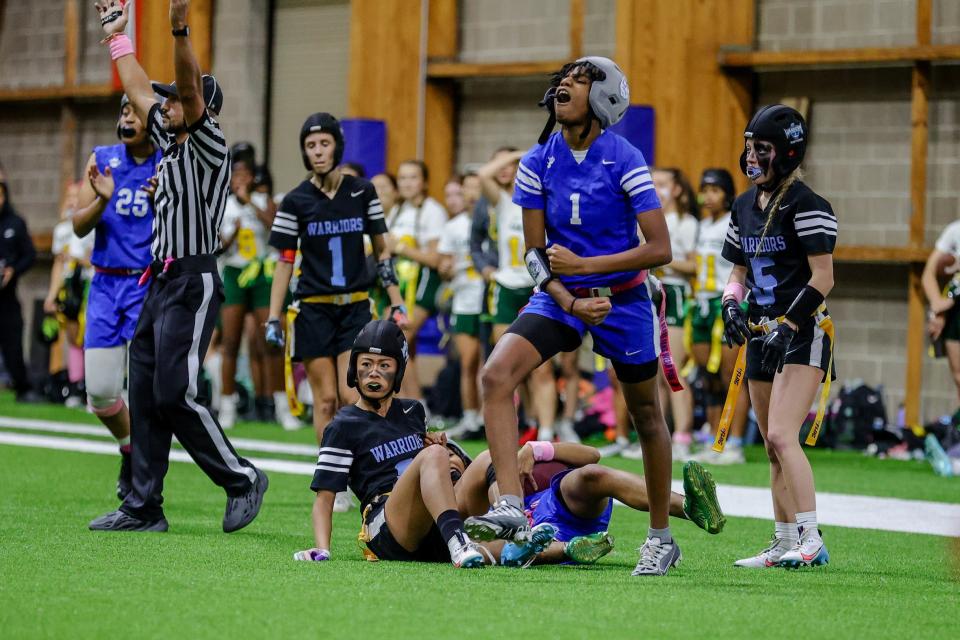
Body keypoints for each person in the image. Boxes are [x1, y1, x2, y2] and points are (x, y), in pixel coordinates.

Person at [464, 56, 681, 576]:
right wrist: (569, 299)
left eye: (579, 80)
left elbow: (661, 248)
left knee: (647, 416)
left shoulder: (624, 157)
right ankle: (512, 507)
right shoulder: (538, 161)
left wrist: (589, 267)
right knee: (495, 374)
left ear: (605, 98)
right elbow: (535, 254)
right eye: (562, 79)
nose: (565, 84)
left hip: (624, 300)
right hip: (562, 296)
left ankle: (660, 538)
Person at [89, 0, 267, 533]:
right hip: (161, 279)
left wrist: (179, 29)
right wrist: (119, 38)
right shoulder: (168, 143)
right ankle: (144, 506)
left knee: (173, 392)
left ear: (198, 108)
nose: (160, 106)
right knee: (142, 390)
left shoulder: (209, 143)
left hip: (194, 279)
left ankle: (241, 478)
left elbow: (185, 89)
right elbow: (141, 88)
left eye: (174, 102)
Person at [721, 104, 836, 568]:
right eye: (749, 146)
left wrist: (788, 323)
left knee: (784, 435)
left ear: (787, 152)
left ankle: (812, 537)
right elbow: (738, 270)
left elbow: (823, 276)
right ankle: (784, 538)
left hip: (801, 331)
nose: (752, 156)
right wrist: (730, 302)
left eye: (762, 148)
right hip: (761, 332)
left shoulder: (807, 204)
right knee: (771, 444)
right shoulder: (744, 205)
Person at [293, 320, 484, 568]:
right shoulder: (343, 425)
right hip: (384, 525)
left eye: (384, 365)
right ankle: (459, 539)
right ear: (353, 370)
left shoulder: (413, 411)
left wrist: (434, 450)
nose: (374, 372)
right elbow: (324, 497)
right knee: (435, 454)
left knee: (486, 460)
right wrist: (322, 548)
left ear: (399, 372)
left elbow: (424, 466)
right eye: (366, 364)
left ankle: (521, 529)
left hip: (426, 522)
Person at [71, 94, 161, 500]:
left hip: (147, 284)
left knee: (147, 390)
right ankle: (130, 448)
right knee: (102, 392)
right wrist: (103, 197)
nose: (127, 117)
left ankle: (144, 479)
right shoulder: (102, 157)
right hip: (106, 284)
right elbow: (76, 226)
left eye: (134, 111)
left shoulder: (168, 163)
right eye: (123, 111)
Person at [457, 444, 725, 566]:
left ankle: (691, 506)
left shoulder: (514, 468)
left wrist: (535, 448)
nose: (452, 467)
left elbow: (592, 455)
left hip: (560, 507)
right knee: (508, 548)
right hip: (536, 535)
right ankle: (571, 549)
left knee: (591, 475)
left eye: (454, 460)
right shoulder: (475, 502)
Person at [477, 147, 560, 442]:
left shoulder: (546, 202)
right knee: (507, 364)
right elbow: (482, 174)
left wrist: (525, 161)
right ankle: (530, 421)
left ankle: (548, 432)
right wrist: (517, 154)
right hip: (505, 287)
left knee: (542, 367)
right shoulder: (502, 201)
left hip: (538, 287)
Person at [217, 155, 297, 430]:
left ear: (252, 178)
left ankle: (281, 407)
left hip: (263, 272)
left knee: (272, 339)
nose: (240, 180)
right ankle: (226, 405)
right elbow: (219, 248)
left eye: (244, 176)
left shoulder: (264, 201)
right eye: (235, 176)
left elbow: (277, 230)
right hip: (235, 273)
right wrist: (232, 233)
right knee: (230, 341)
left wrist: (250, 202)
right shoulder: (223, 206)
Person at [687, 169, 749, 465]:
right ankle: (715, 439)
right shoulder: (702, 225)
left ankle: (735, 441)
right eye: (705, 189)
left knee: (731, 375)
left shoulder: (733, 223)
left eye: (715, 189)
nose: (709, 195)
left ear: (727, 193)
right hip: (700, 303)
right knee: (707, 377)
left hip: (725, 303)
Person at [386, 160, 448, 403]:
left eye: (413, 178)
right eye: (402, 178)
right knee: (403, 348)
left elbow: (435, 258)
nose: (407, 183)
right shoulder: (398, 211)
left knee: (397, 341)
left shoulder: (433, 211)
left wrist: (400, 247)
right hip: (399, 286)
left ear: (424, 183)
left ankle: (414, 405)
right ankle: (413, 403)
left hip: (423, 284)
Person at [651, 167, 698, 459]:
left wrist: (661, 259)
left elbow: (694, 266)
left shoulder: (686, 222)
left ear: (677, 189)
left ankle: (683, 434)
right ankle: (661, 435)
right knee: (656, 371)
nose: (656, 189)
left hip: (676, 294)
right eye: (652, 183)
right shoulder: (651, 220)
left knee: (673, 369)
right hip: (652, 291)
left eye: (662, 184)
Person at [437, 177, 485, 436]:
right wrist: (445, 269)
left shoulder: (492, 222)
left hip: (490, 299)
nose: (471, 194)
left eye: (476, 188)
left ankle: (488, 417)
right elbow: (443, 267)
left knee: (489, 364)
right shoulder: (454, 227)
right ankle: (469, 418)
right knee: (468, 362)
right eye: (467, 188)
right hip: (464, 300)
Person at [47, 182, 95, 408]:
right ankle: (75, 383)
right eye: (70, 197)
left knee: (88, 335)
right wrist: (52, 294)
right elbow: (58, 264)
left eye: (78, 196)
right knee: (71, 336)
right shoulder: (62, 230)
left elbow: (91, 259)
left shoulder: (92, 227)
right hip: (69, 286)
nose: (73, 201)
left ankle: (91, 383)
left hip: (87, 284)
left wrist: (79, 259)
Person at [0, 163, 39, 402]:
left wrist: (14, 270)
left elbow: (30, 255)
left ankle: (23, 388)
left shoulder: (15, 223)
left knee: (13, 343)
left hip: (7, 299)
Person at [922, 219, 960, 410]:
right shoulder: (955, 230)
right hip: (956, 309)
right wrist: (937, 308)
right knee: (958, 376)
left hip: (955, 299)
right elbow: (929, 273)